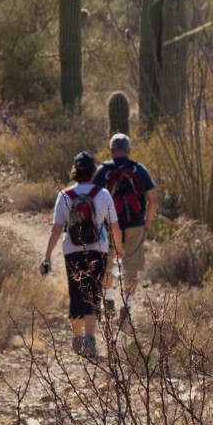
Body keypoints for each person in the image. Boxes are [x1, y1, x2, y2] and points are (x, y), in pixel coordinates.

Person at [41, 151, 122, 358]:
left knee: (76, 292)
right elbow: (114, 226)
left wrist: (47, 257)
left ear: (75, 171)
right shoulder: (103, 194)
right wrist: (119, 248)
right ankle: (91, 338)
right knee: (93, 292)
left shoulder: (64, 195)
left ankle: (77, 338)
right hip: (98, 248)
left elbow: (56, 230)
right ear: (93, 172)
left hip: (72, 250)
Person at [93, 133, 158, 330]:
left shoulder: (103, 171)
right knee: (132, 268)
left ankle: (110, 301)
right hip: (135, 224)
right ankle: (126, 309)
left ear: (111, 151)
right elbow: (153, 199)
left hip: (109, 225)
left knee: (106, 264)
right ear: (129, 151)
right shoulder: (139, 169)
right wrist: (147, 222)